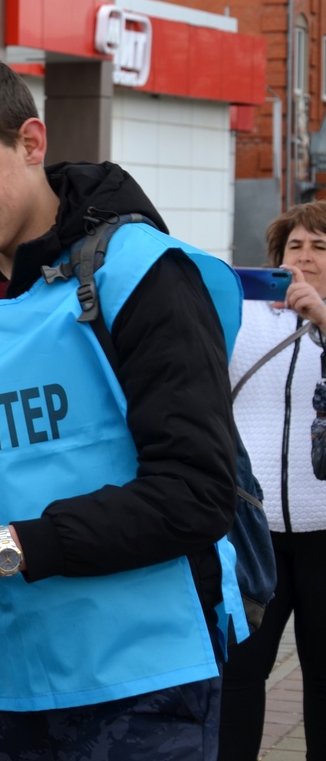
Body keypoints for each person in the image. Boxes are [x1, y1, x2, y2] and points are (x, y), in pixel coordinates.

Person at [0, 55, 246, 759]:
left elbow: (197, 492)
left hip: (140, 681)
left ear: (33, 142)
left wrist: (6, 550)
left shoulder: (143, 274)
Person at [219, 202, 326, 761]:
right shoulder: (245, 316)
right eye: (294, 248)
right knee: (239, 675)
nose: (304, 258)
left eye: (320, 247)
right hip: (251, 532)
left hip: (324, 531)